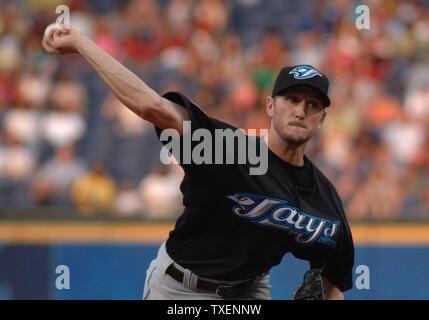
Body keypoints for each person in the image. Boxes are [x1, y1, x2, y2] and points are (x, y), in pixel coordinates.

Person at [42, 26, 354, 300]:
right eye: (292, 100)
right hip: (183, 288)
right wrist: (83, 43)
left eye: (312, 105)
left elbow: (332, 283)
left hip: (249, 290)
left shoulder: (323, 201)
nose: (301, 111)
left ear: (322, 118)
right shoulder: (225, 149)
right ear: (271, 106)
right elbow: (151, 106)